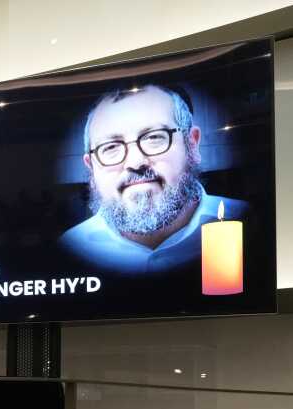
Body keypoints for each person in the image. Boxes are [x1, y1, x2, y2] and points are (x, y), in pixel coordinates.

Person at [59, 84, 247, 275]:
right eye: (110, 147)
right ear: (91, 169)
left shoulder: (245, 219)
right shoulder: (69, 246)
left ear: (192, 144)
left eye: (154, 137)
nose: (135, 162)